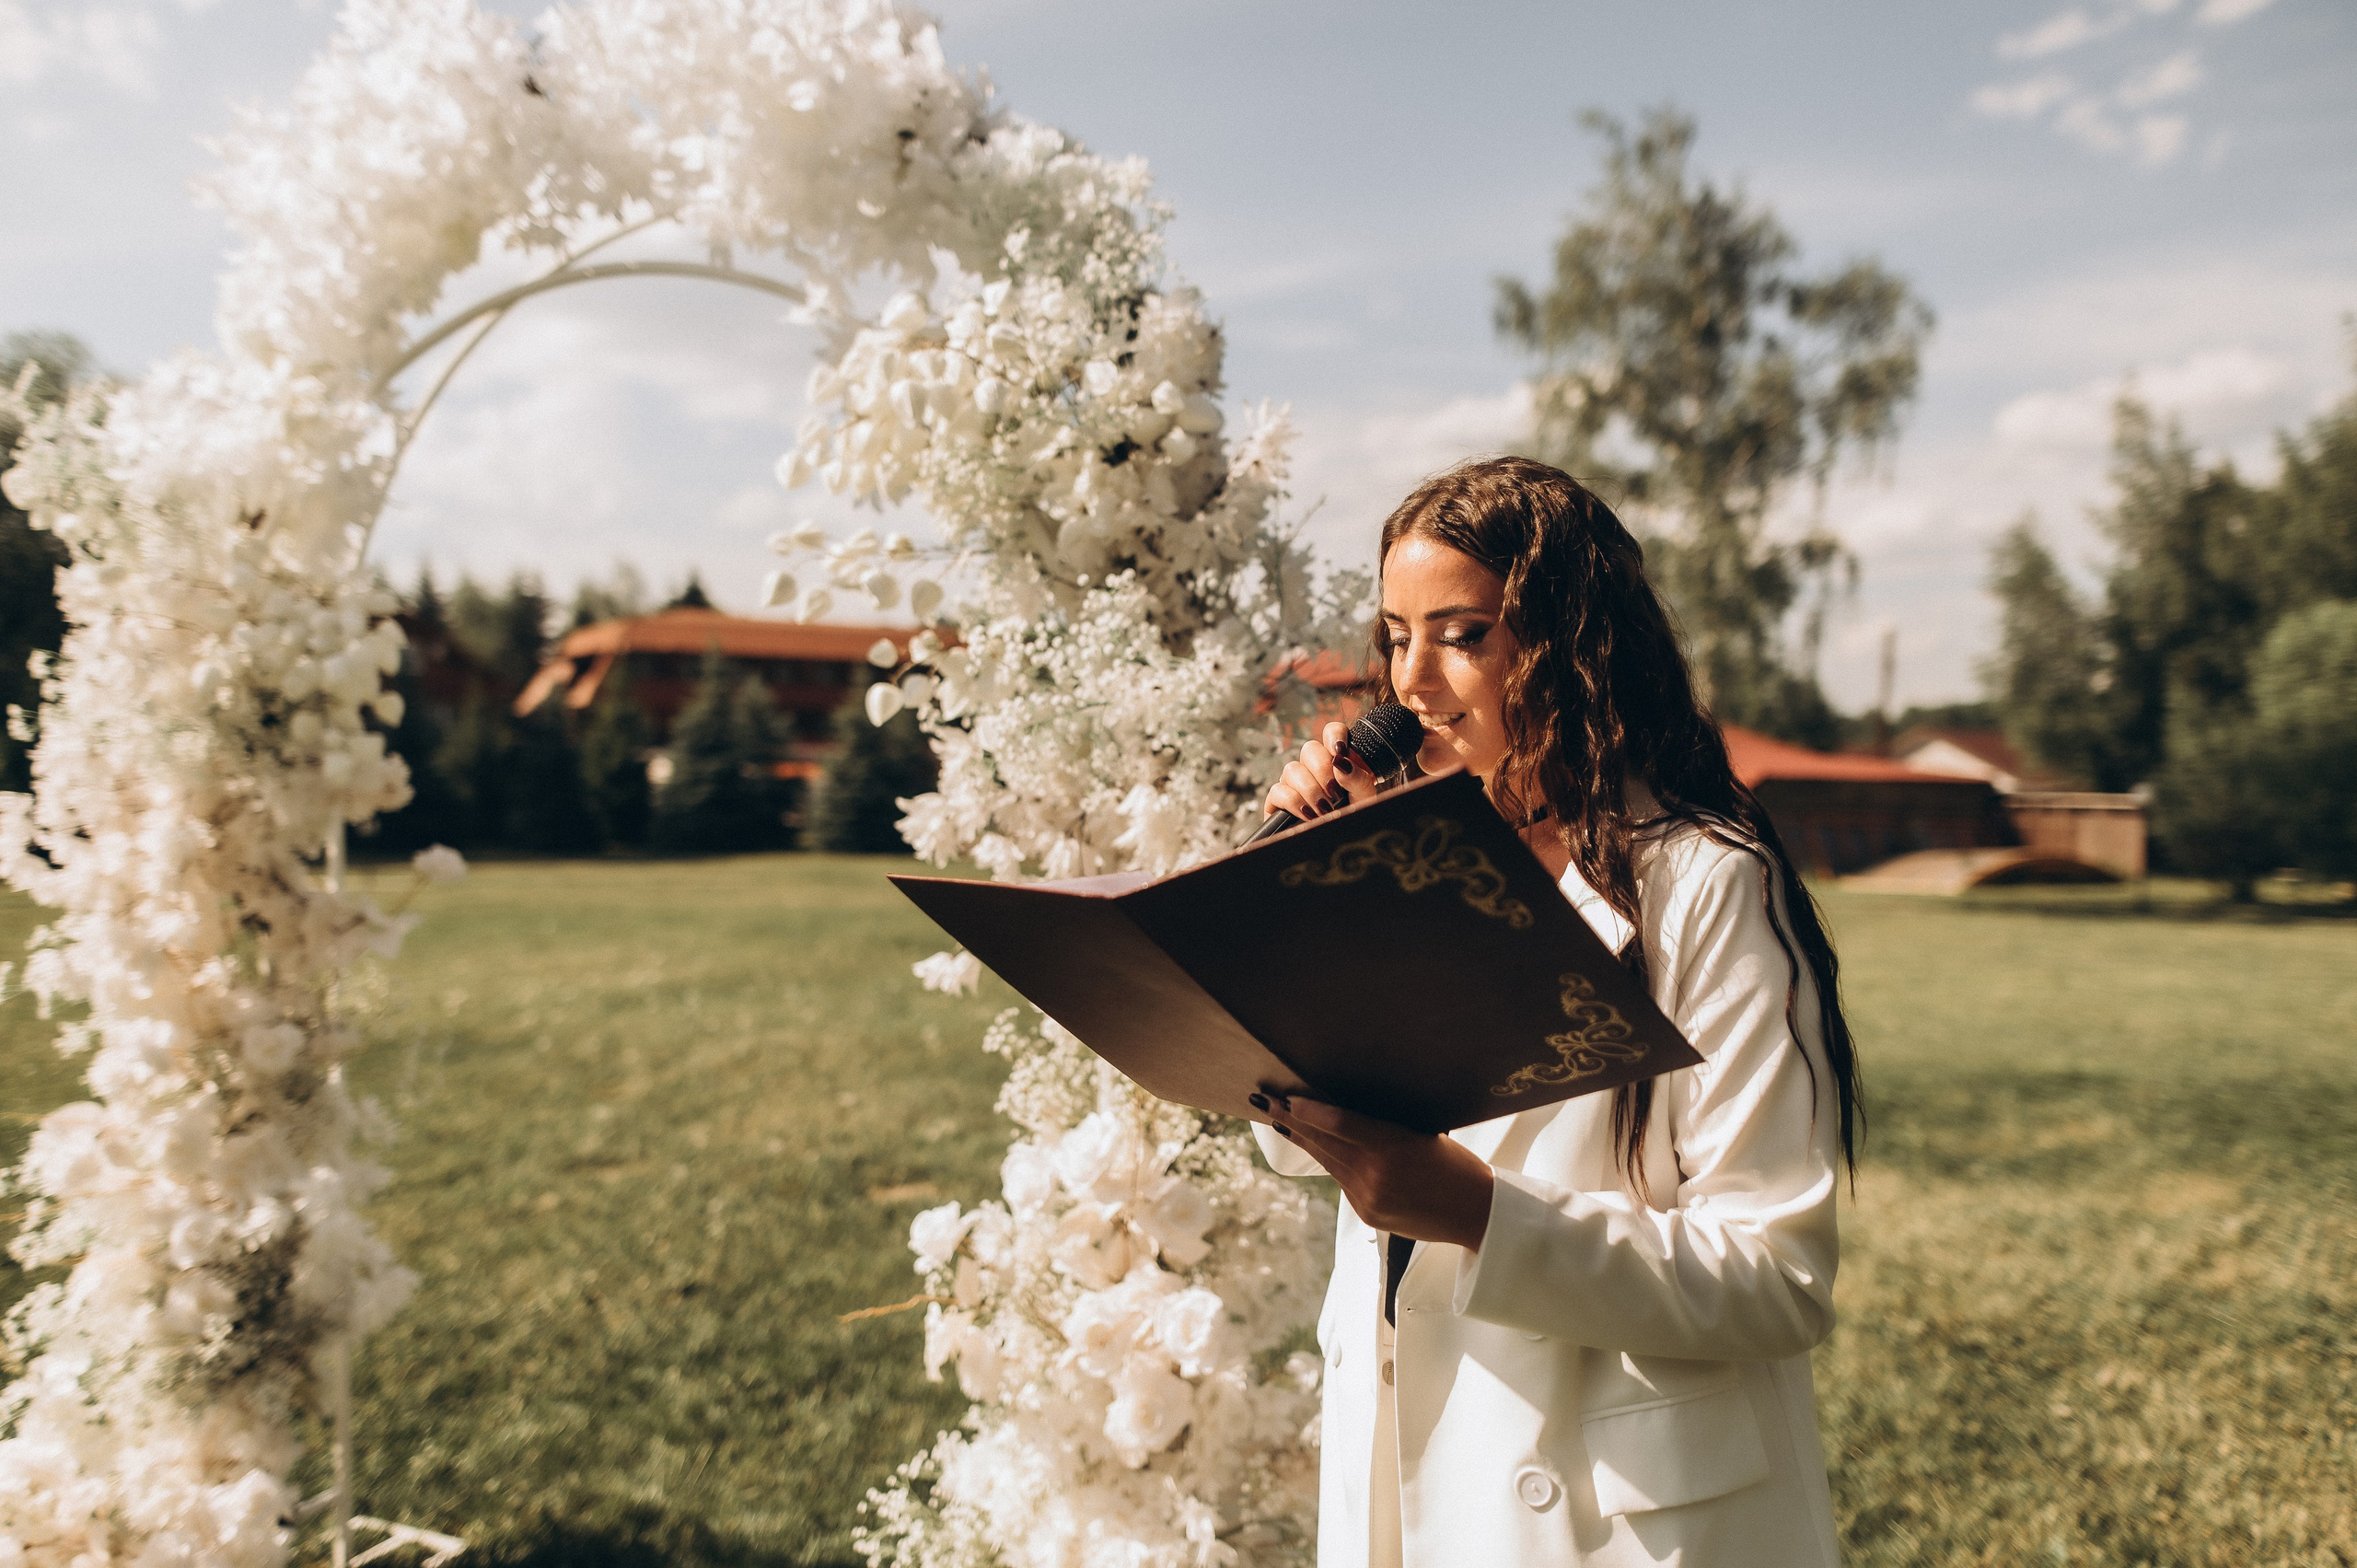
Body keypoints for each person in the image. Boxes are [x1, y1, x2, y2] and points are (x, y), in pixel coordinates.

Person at [1252, 455, 1860, 1568]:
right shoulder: (1408, 856)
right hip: (1407, 1468)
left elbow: (1776, 1279)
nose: (1411, 681)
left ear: (1576, 645)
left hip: (1608, 1518)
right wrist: (1320, 889)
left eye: (1463, 635)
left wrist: (1482, 1214)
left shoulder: (1704, 880)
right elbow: (1300, 1135)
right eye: (1395, 635)